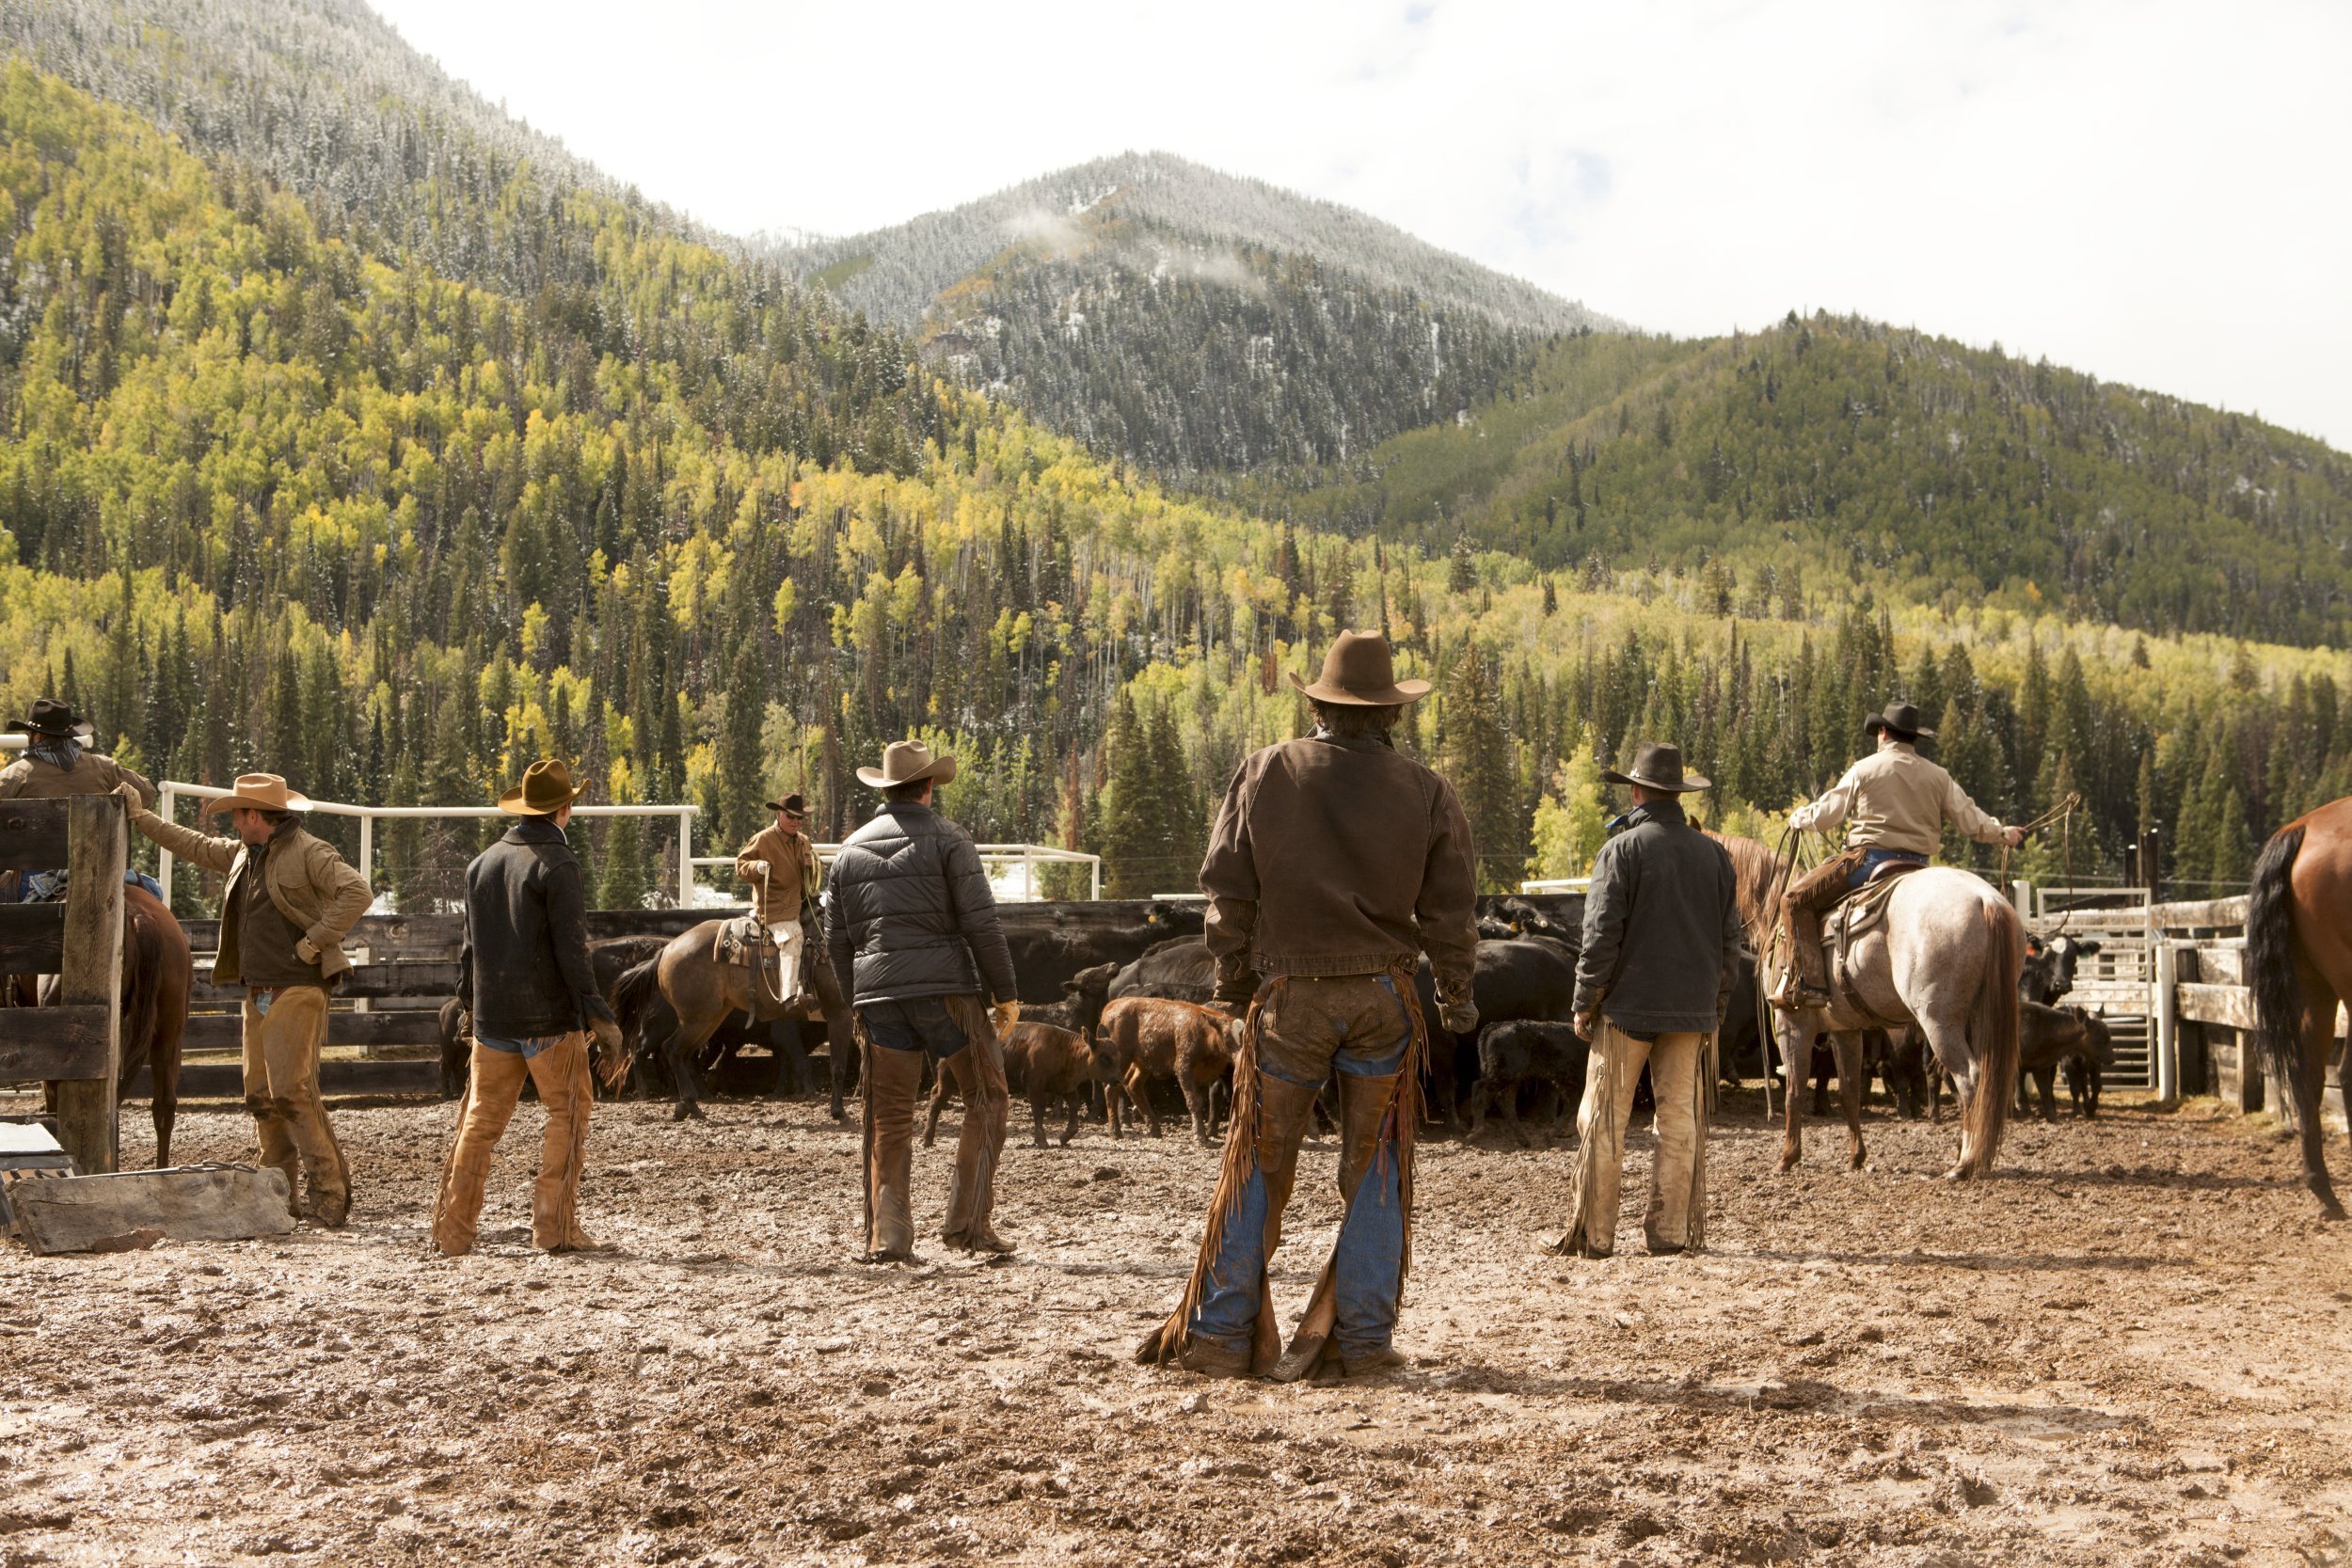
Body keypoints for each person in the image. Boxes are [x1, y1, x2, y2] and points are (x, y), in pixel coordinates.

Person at [1139, 630, 1479, 1382]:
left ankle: (1224, 1331)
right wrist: (1456, 993)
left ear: (1320, 705)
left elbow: (1227, 886)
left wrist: (1231, 985)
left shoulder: (1267, 771)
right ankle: (1360, 1338)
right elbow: (1452, 910)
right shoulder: (1426, 791)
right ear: (1390, 714)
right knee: (1378, 1163)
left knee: (1258, 1157)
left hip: (1288, 997)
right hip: (1385, 998)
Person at [119, 772, 371, 1225]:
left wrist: (314, 942)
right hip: (259, 991)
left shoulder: (311, 852)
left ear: (255, 815)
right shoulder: (244, 854)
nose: (233, 822)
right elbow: (192, 844)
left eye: (237, 814)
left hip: (297, 985)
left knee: (291, 1091)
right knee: (260, 1095)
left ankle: (329, 1194)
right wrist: (141, 817)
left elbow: (358, 892)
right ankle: (280, 1194)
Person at [823, 739, 1019, 1260]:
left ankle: (888, 1236)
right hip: (947, 994)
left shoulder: (848, 851)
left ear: (887, 789)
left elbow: (836, 939)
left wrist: (856, 1001)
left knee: (888, 1117)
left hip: (879, 1000)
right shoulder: (952, 840)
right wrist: (1006, 995)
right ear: (929, 786)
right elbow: (982, 922)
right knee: (986, 1096)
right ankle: (966, 1224)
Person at [1549, 742, 1743, 1259]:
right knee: (1679, 1118)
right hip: (1691, 1011)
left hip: (1627, 1009)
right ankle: (1671, 1232)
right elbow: (1731, 944)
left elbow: (1600, 935)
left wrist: (1584, 999)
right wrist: (1716, 1005)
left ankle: (1595, 1234)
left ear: (1636, 792)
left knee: (1605, 1116)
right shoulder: (1715, 854)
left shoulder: (1621, 851)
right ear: (1676, 794)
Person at [433, 759, 620, 1257]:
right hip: (549, 1024)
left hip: (493, 1019)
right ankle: (553, 1226)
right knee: (570, 1113)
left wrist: (471, 1006)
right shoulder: (558, 865)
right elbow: (571, 952)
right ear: (565, 808)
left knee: (480, 1124)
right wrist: (598, 1013)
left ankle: (453, 1231)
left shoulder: (482, 863)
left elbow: (470, 951)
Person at [1774, 701, 2024, 1009]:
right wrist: (2003, 833)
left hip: (1868, 862)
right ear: (1912, 737)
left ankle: (1810, 983)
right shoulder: (1938, 776)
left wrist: (1798, 817)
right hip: (1918, 867)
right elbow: (1971, 820)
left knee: (1794, 900)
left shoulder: (1865, 769)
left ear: (1882, 732)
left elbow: (1827, 814)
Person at [735, 792, 854, 1108]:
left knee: (826, 935)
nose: (796, 822)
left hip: (803, 905)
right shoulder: (763, 839)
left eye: (799, 818)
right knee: (793, 939)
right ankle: (790, 994)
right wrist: (758, 867)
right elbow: (740, 865)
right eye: (791, 817)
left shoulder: (802, 842)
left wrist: (812, 867)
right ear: (779, 816)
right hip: (774, 911)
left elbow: (813, 871)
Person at [2, 698, 164, 900]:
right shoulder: (103, 768)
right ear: (69, 736)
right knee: (154, 890)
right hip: (103, 868)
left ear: (37, 737)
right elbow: (147, 794)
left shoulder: (14, 775)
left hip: (35, 877)